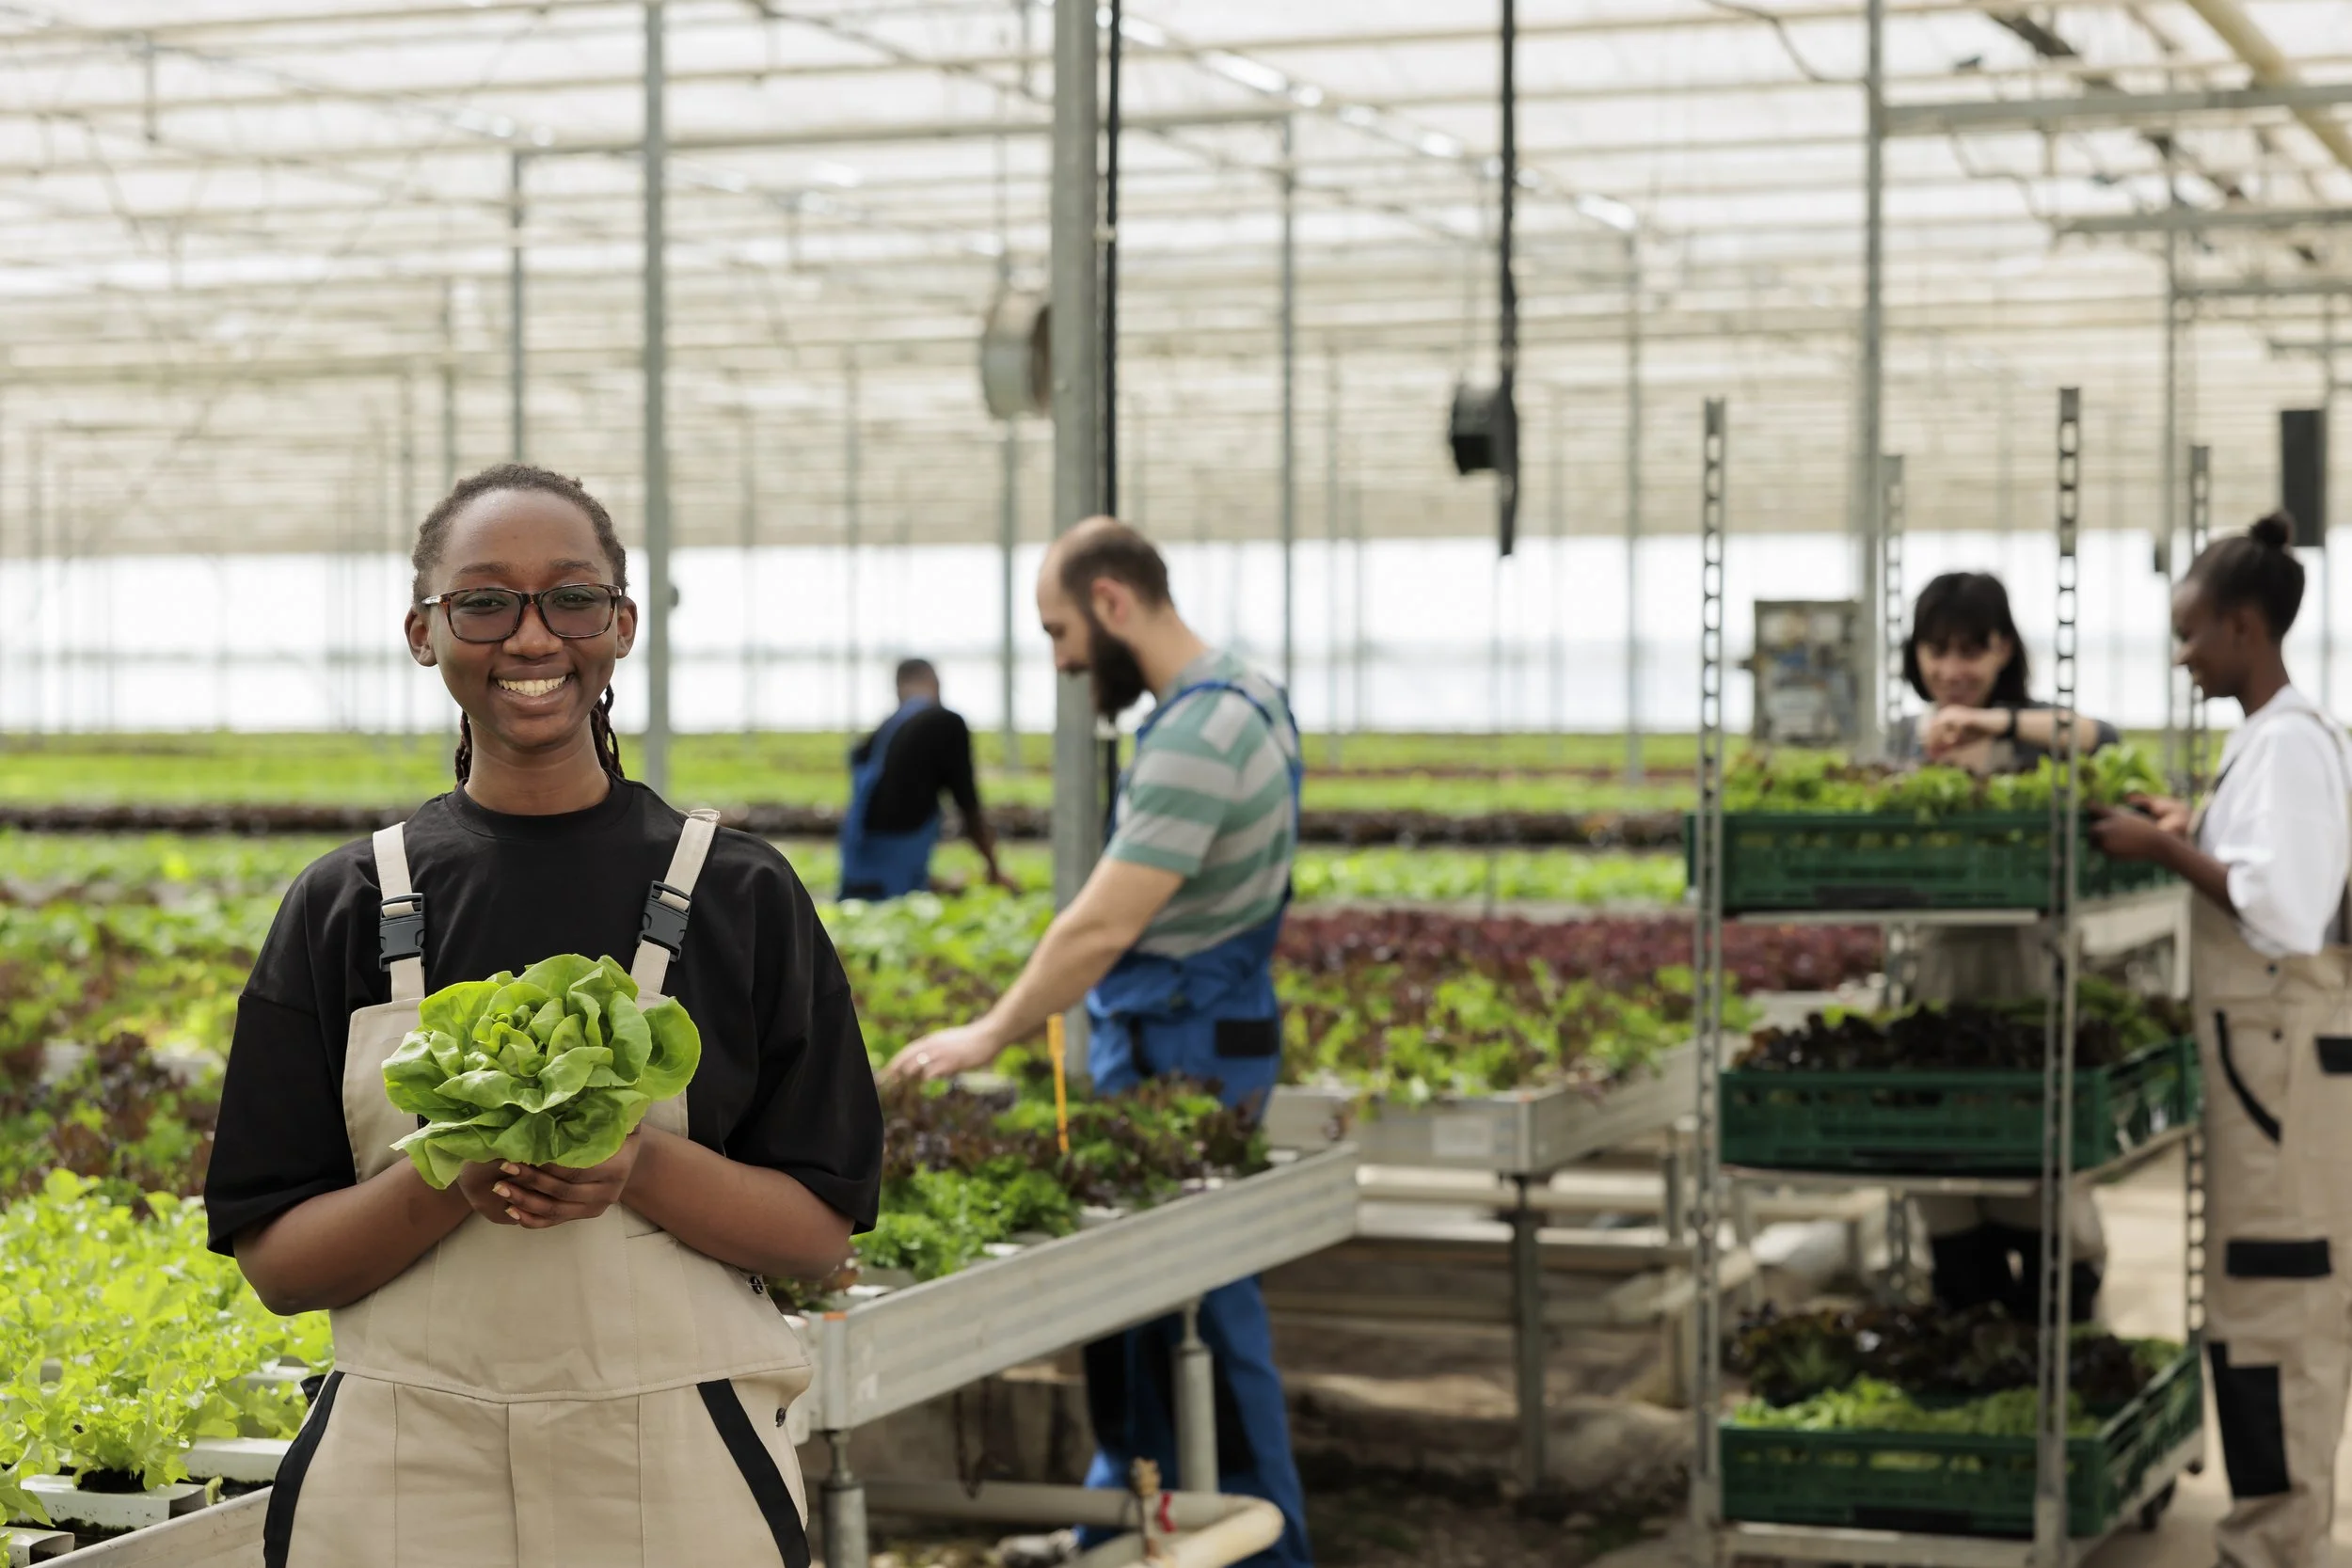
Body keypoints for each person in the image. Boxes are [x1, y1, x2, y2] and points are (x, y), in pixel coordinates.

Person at [203, 464, 883, 1568]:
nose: (531, 638)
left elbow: (817, 1234)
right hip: (402, 1474)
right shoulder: (346, 905)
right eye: (484, 600)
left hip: (675, 1459)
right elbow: (281, 1264)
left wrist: (638, 1166)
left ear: (619, 626)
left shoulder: (738, 894)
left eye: (571, 598)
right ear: (424, 632)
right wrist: (454, 1177)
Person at [880, 517, 1311, 1568]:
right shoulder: (1251, 698)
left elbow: (1103, 923)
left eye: (1060, 629)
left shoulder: (1200, 734)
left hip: (1186, 1044)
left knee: (1196, 1296)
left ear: (1113, 602)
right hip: (1193, 1028)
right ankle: (1123, 1518)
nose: (1062, 658)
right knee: (1139, 1304)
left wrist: (990, 1030)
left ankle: (1260, 1546)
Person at [2092, 514, 2352, 1568]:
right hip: (2274, 1060)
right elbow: (2270, 864)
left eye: (2191, 633)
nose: (2182, 654)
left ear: (2244, 627)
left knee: (2276, 1305)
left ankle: (2274, 1541)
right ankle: (2269, 1531)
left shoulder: (2288, 741)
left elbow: (2282, 913)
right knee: (2256, 1302)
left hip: (2277, 1064)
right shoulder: (2280, 734)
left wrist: (2160, 845)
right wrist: (2193, 825)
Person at [1890, 571, 2120, 1324]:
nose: (1953, 668)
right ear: (1916, 655)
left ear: (2003, 651)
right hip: (1939, 983)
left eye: (1972, 649)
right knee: (1955, 1203)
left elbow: (2106, 742)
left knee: (2043, 1189)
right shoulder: (1904, 747)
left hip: (2029, 982)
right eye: (1938, 649)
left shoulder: (2034, 738)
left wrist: (1995, 726)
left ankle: (2056, 1346)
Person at [840, 657, 1012, 900]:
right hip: (895, 874)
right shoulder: (946, 723)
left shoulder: (885, 730)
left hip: (859, 868)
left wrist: (939, 886)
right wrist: (994, 869)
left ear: (899, 688)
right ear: (934, 682)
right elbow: (967, 803)